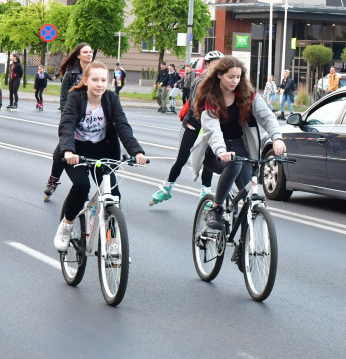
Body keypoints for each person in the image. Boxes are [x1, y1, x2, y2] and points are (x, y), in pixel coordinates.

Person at [53, 62, 147, 252]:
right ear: (86, 81)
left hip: (102, 151)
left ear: (109, 82)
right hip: (76, 152)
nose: (99, 84)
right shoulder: (76, 97)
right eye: (95, 80)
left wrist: (136, 151)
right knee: (82, 187)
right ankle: (67, 224)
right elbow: (67, 124)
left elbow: (122, 126)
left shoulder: (111, 99)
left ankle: (111, 240)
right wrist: (69, 151)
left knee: (113, 196)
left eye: (103, 80)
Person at [189, 55, 286, 230]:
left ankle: (243, 246)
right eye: (230, 77)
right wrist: (220, 151)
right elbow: (212, 130)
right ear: (219, 75)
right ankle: (216, 209)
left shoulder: (248, 96)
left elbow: (267, 117)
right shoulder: (210, 98)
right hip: (214, 150)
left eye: (238, 77)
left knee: (248, 197)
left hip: (239, 146)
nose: (235, 81)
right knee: (233, 164)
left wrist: (277, 137)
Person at [149, 50, 222, 206]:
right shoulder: (200, 81)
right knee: (181, 158)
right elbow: (197, 105)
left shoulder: (224, 83)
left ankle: (205, 192)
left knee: (208, 159)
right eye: (215, 64)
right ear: (208, 65)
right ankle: (167, 188)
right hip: (193, 124)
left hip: (210, 127)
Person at [43, 43, 93, 200]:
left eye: (90, 52)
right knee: (62, 150)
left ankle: (88, 188)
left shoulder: (96, 70)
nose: (89, 54)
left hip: (92, 119)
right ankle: (53, 180)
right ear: (78, 55)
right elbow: (64, 98)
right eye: (85, 52)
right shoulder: (71, 74)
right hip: (72, 118)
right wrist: (68, 119)